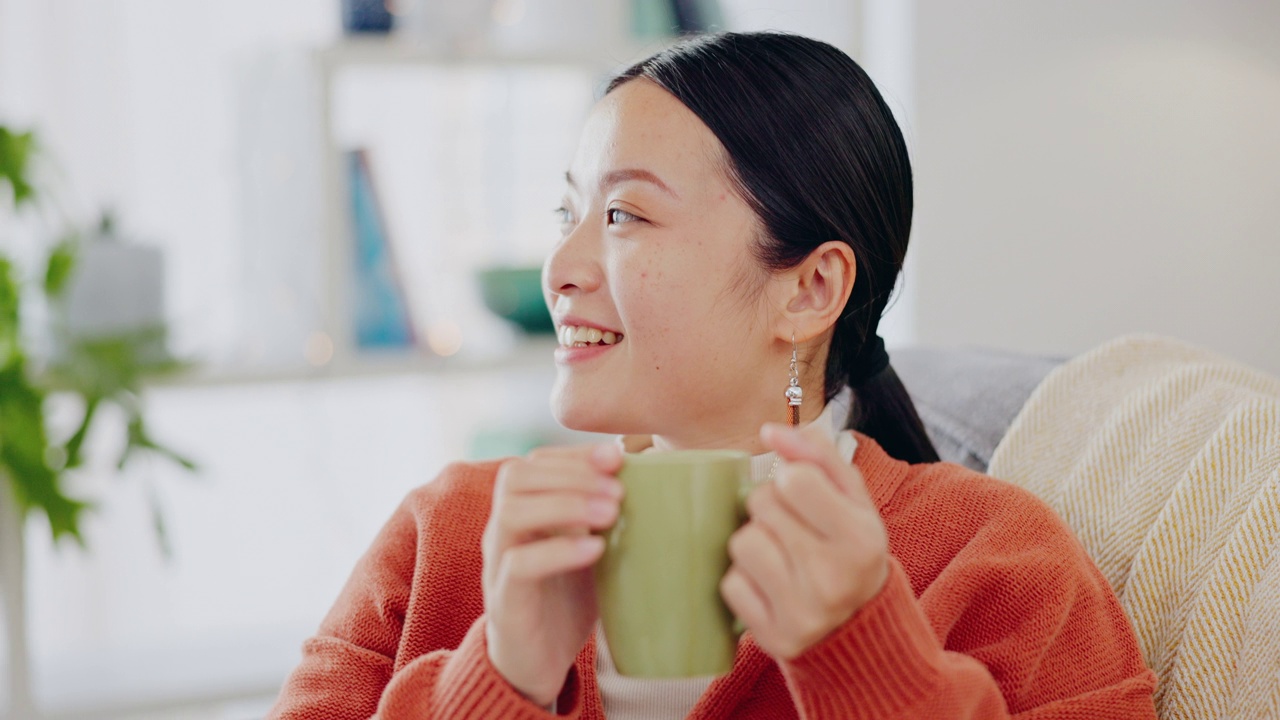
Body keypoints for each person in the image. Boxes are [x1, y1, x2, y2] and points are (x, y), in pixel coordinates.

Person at [267, 31, 1157, 719]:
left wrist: (868, 662)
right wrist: (500, 677)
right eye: (566, 211)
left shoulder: (993, 560)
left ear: (810, 289)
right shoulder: (447, 537)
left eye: (622, 214)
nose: (560, 267)